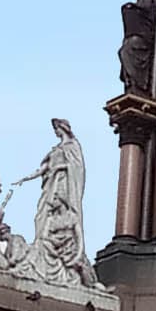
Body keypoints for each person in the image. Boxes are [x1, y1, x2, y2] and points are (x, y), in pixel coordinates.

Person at [15, 118, 97, 286]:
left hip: (63, 183)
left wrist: (61, 168)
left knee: (60, 212)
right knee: (42, 215)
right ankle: (41, 251)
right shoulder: (56, 150)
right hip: (51, 184)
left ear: (63, 128)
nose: (56, 132)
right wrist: (26, 178)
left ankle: (62, 256)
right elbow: (43, 169)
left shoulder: (73, 146)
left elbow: (77, 167)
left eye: (57, 129)